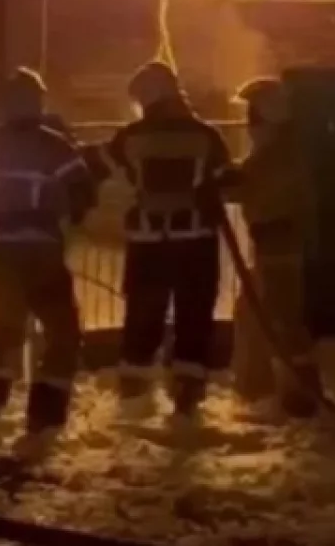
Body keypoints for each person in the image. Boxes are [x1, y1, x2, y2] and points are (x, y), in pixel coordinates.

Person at [0, 67, 96, 443]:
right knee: (63, 332)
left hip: (3, 253)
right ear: (38, 102)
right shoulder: (54, 145)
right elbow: (83, 191)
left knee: (5, 328)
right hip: (42, 254)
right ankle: (45, 417)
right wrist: (71, 217)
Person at [105, 61, 232, 419]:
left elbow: (104, 174)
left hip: (147, 242)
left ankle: (134, 396)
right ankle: (186, 397)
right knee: (194, 316)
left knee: (143, 315)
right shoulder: (206, 136)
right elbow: (226, 180)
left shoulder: (129, 138)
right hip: (196, 242)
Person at [221, 76, 321, 418]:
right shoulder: (278, 153)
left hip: (279, 246)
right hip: (273, 245)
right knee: (255, 313)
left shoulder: (277, 157)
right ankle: (265, 391)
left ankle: (296, 395)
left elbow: (249, 186)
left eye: (254, 116)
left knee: (279, 320)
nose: (250, 125)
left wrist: (225, 182)